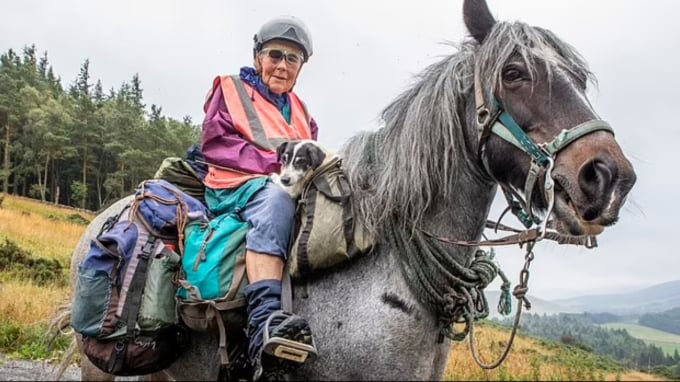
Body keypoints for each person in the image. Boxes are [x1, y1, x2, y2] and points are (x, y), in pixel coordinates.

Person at [200, 15, 318, 380]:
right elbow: (217, 144)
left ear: (301, 67)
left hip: (281, 183)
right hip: (234, 184)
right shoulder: (231, 89)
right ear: (258, 58)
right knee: (278, 201)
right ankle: (264, 322)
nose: (282, 65)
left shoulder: (302, 111)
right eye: (275, 55)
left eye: (292, 59)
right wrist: (274, 165)